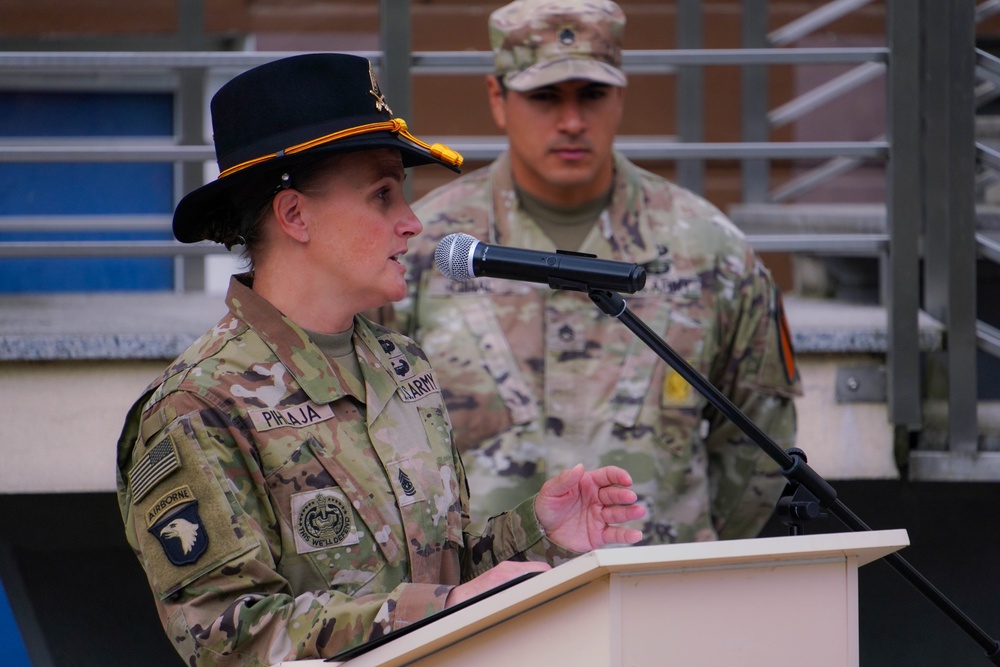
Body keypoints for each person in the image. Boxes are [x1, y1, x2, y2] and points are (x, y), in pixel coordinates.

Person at [115, 52, 644, 666]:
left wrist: (539, 534)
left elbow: (443, 570)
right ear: (295, 215)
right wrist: (440, 607)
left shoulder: (400, 364)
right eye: (383, 195)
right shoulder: (199, 405)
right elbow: (232, 639)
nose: (412, 223)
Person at [395, 0, 802, 544]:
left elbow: (758, 439)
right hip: (487, 604)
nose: (571, 121)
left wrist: (683, 558)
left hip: (655, 595)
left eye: (592, 95)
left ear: (620, 96)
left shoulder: (708, 248)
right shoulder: (425, 245)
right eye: (544, 97)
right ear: (498, 99)